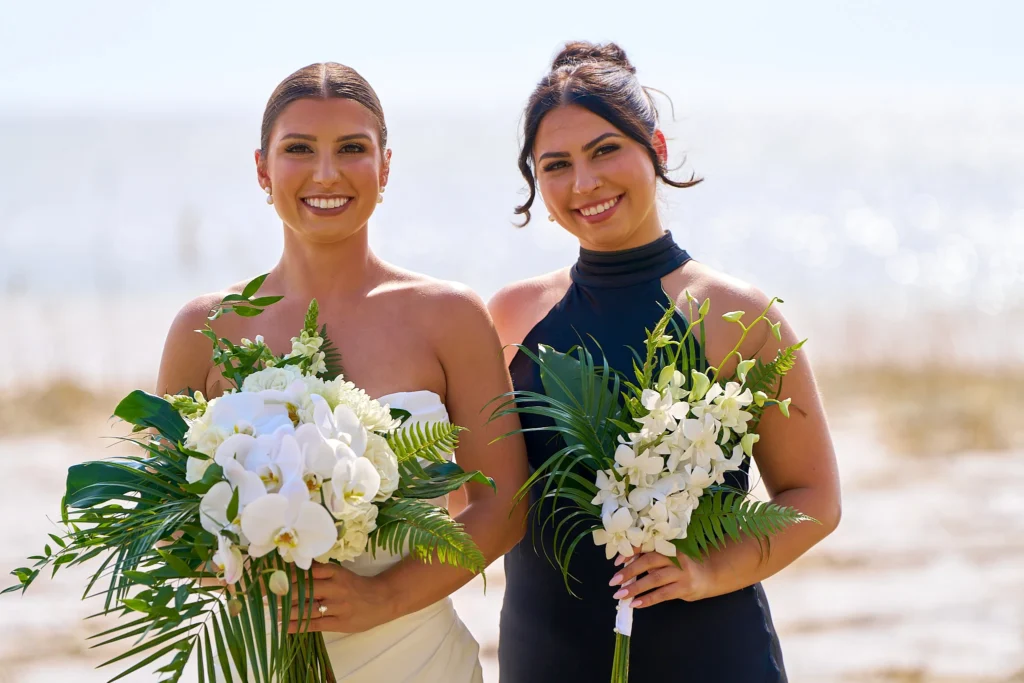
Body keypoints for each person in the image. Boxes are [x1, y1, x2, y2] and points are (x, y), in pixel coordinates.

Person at [156, 62, 529, 683]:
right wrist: (213, 555)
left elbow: (504, 507)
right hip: (256, 656)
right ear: (261, 169)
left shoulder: (449, 317)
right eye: (298, 149)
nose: (325, 173)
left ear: (385, 168)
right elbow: (157, 511)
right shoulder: (205, 329)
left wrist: (382, 599)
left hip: (417, 657)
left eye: (352, 149)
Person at [490, 41, 842, 683]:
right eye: (556, 165)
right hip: (546, 652)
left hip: (708, 651)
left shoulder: (738, 315)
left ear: (655, 146)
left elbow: (814, 498)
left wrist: (707, 572)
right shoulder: (510, 317)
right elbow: (480, 498)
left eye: (605, 151)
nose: (584, 183)